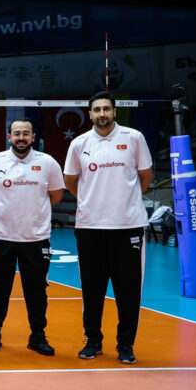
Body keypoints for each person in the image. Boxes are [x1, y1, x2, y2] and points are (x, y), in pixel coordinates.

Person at [64, 92, 153, 364]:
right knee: (92, 290)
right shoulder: (79, 143)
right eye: (97, 109)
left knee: (128, 291)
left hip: (128, 226)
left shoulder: (134, 138)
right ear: (90, 114)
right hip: (90, 227)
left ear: (114, 111)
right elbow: (70, 180)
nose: (102, 113)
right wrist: (91, 201)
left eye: (106, 109)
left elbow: (146, 176)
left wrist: (125, 201)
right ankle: (93, 341)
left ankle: (125, 345)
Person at [0, 118, 64, 356]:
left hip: (35, 238)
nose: (21, 138)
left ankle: (38, 336)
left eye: (26, 133)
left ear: (33, 137)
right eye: (16, 133)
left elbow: (56, 195)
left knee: (37, 290)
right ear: (9, 137)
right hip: (0, 236)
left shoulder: (47, 162)